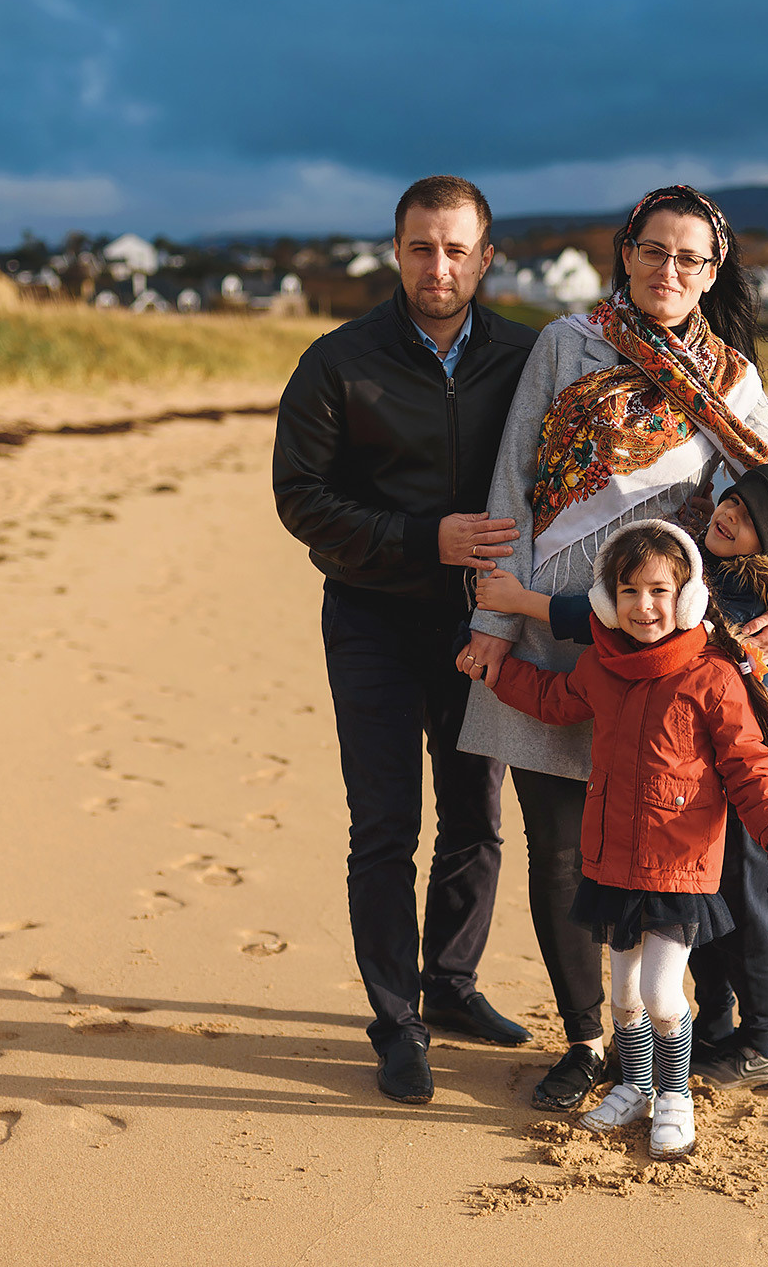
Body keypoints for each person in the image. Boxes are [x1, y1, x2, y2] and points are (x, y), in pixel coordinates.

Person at [454, 185, 768, 1111]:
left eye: (689, 258)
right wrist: (493, 624)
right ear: (625, 253)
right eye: (654, 250)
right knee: (559, 849)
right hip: (553, 633)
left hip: (670, 658)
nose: (669, 270)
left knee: (671, 852)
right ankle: (588, 1039)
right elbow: (512, 482)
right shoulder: (564, 345)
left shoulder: (731, 380)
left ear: (712, 272)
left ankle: (674, 1037)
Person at [273, 175, 538, 1105]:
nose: (439, 266)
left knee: (476, 816)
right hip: (371, 619)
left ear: (486, 257)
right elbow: (302, 500)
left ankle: (453, 986)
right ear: (396, 251)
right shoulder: (337, 361)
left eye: (457, 249)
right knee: (385, 827)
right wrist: (428, 538)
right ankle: (398, 1023)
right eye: (422, 247)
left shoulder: (526, 357)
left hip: (482, 628)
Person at [476, 460, 768, 1090]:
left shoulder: (745, 602)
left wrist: (520, 604)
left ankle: (759, 1043)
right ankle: (713, 1029)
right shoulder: (701, 566)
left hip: (752, 773)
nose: (730, 514)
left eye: (750, 519)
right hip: (698, 780)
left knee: (747, 914)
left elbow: (595, 618)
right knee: (704, 909)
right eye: (733, 500)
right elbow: (611, 619)